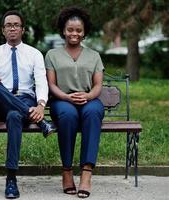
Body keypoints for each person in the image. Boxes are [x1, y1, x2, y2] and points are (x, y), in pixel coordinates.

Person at [0, 10, 56, 199]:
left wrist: (41, 105)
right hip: (0, 105)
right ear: (2, 31)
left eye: (16, 25)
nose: (12, 28)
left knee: (14, 116)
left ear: (23, 30)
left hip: (25, 100)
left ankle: (11, 180)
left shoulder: (34, 54)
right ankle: (41, 122)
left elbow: (41, 82)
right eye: (8, 25)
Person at [45, 7, 105, 198]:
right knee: (68, 115)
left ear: (84, 32)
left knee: (93, 112)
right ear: (63, 30)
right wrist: (66, 97)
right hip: (62, 100)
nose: (74, 33)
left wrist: (87, 97)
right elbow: (51, 85)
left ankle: (86, 174)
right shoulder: (52, 55)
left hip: (89, 100)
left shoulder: (94, 56)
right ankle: (67, 171)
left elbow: (97, 86)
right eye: (70, 29)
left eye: (78, 30)